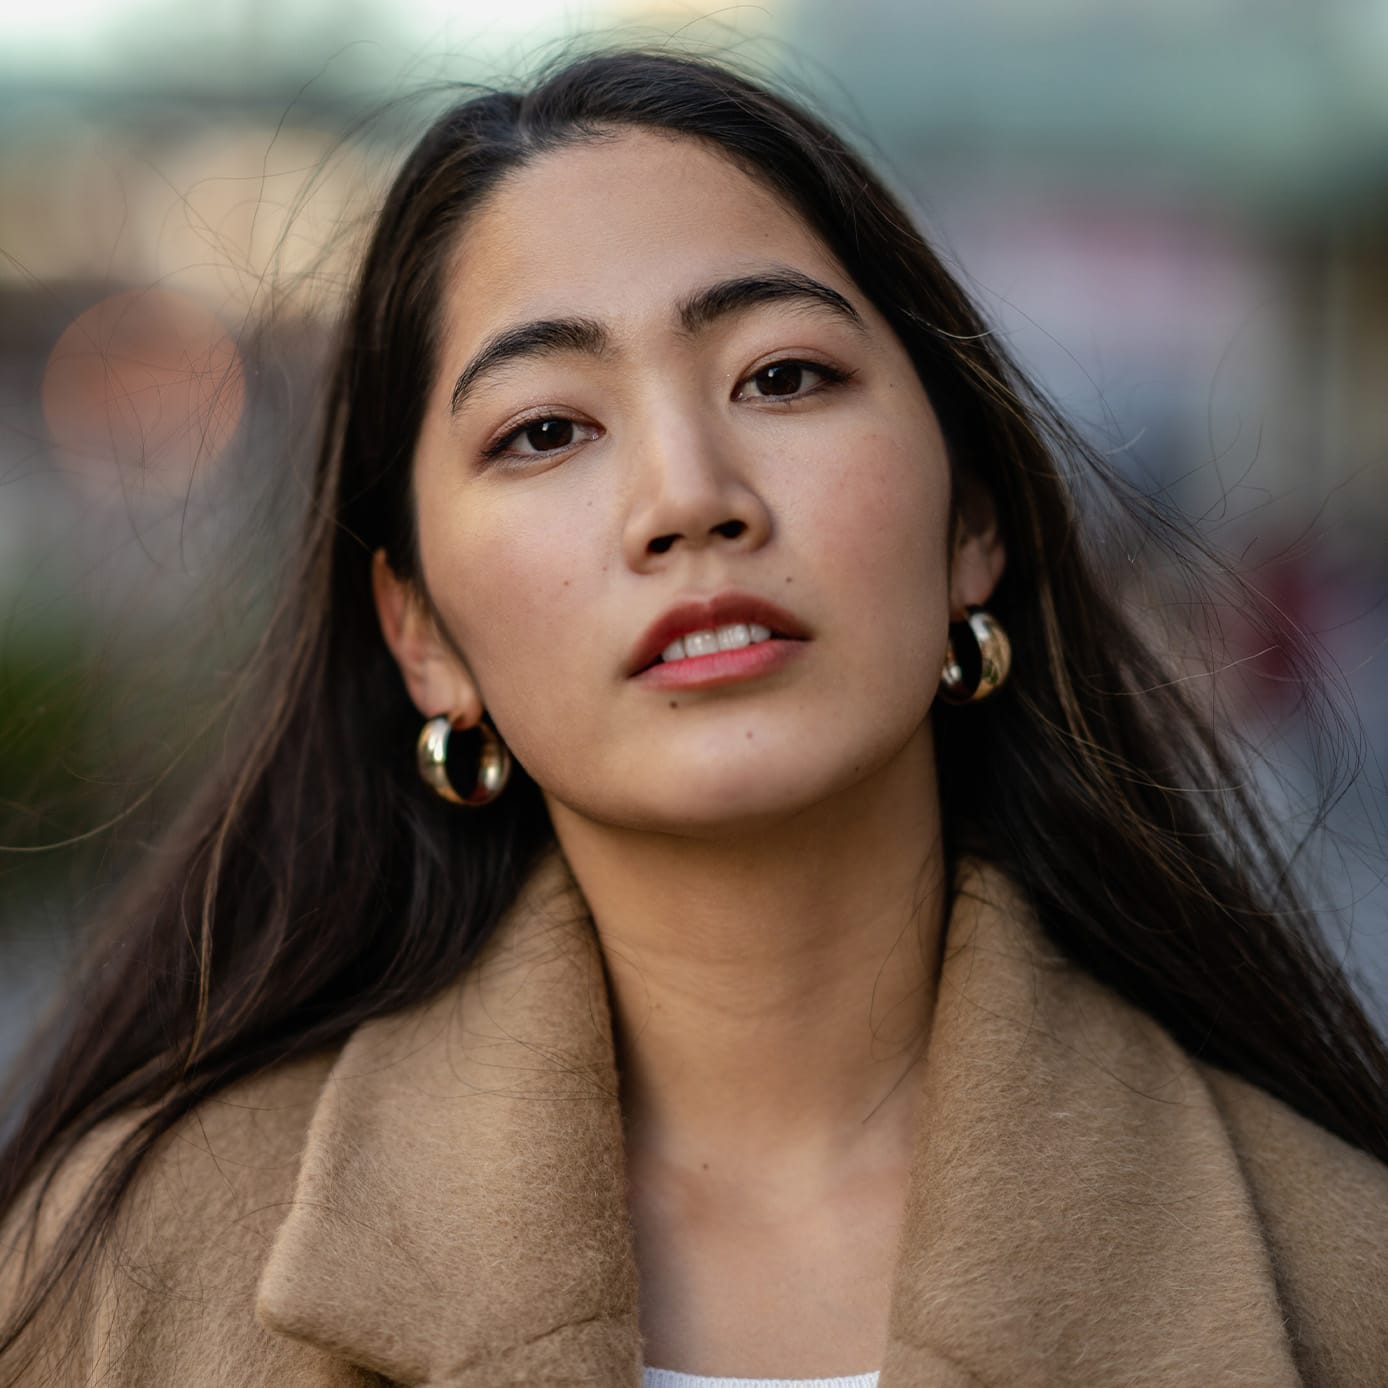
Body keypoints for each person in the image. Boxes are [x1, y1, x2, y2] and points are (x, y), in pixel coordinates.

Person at [3, 45, 1388, 1388]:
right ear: (421, 634)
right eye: (546, 429)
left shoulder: (1341, 1281)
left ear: (972, 524)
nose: (688, 495)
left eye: (782, 376)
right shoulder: (130, 1277)